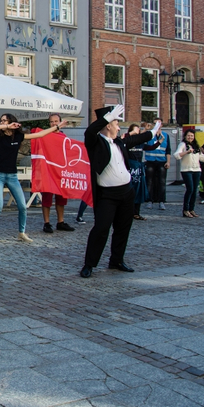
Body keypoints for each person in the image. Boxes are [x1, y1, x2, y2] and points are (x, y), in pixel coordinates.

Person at [80, 106, 157, 278]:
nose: (119, 127)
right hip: (108, 195)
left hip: (127, 192)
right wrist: (108, 117)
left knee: (123, 228)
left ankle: (117, 260)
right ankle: (89, 264)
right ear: (108, 125)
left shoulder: (119, 142)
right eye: (116, 123)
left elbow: (136, 139)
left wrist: (153, 132)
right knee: (101, 229)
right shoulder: (95, 142)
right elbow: (90, 131)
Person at [0, 114, 66, 244]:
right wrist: (7, 125)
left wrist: (56, 127)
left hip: (12, 176)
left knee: (23, 206)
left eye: (5, 120)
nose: (2, 122)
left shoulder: (18, 136)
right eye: (1, 120)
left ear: (12, 121)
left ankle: (21, 233)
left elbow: (40, 135)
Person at [40, 113, 75, 234]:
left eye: (56, 121)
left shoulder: (63, 137)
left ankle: (60, 221)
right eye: (51, 122)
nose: (54, 124)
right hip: (48, 171)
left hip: (60, 171)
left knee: (61, 198)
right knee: (47, 198)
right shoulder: (45, 135)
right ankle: (47, 222)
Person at [174, 129, 204, 218]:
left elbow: (202, 158)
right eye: (188, 136)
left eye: (192, 136)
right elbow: (177, 155)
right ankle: (185, 210)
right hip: (186, 170)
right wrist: (187, 152)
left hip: (196, 170)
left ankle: (191, 209)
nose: (190, 137)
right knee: (190, 189)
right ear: (185, 136)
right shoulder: (183, 145)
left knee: (194, 190)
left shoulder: (196, 146)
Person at [126, 124, 160, 221]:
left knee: (139, 191)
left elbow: (150, 147)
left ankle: (136, 212)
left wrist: (159, 142)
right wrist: (132, 133)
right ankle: (129, 212)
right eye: (136, 130)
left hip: (139, 168)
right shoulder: (128, 141)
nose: (138, 131)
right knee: (130, 191)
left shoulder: (140, 143)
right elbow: (123, 139)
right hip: (131, 168)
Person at [144, 118, 171, 211]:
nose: (156, 125)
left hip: (161, 161)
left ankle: (161, 201)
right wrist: (146, 130)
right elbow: (140, 138)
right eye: (154, 123)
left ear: (162, 125)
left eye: (158, 123)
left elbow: (168, 150)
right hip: (150, 161)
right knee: (149, 182)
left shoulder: (166, 136)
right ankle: (149, 200)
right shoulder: (149, 135)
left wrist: (168, 161)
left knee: (162, 182)